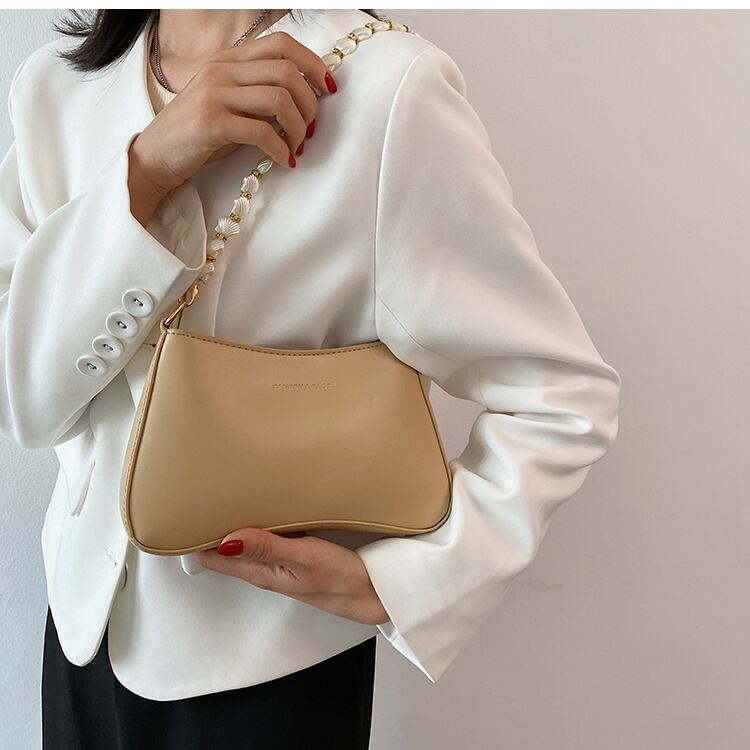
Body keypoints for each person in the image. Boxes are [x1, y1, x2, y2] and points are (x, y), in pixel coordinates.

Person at [0, 8, 622, 749]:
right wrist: (147, 167)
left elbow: (561, 395)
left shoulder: (383, 91)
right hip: (81, 642)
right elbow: (18, 398)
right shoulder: (56, 88)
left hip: (268, 671)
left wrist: (405, 581)